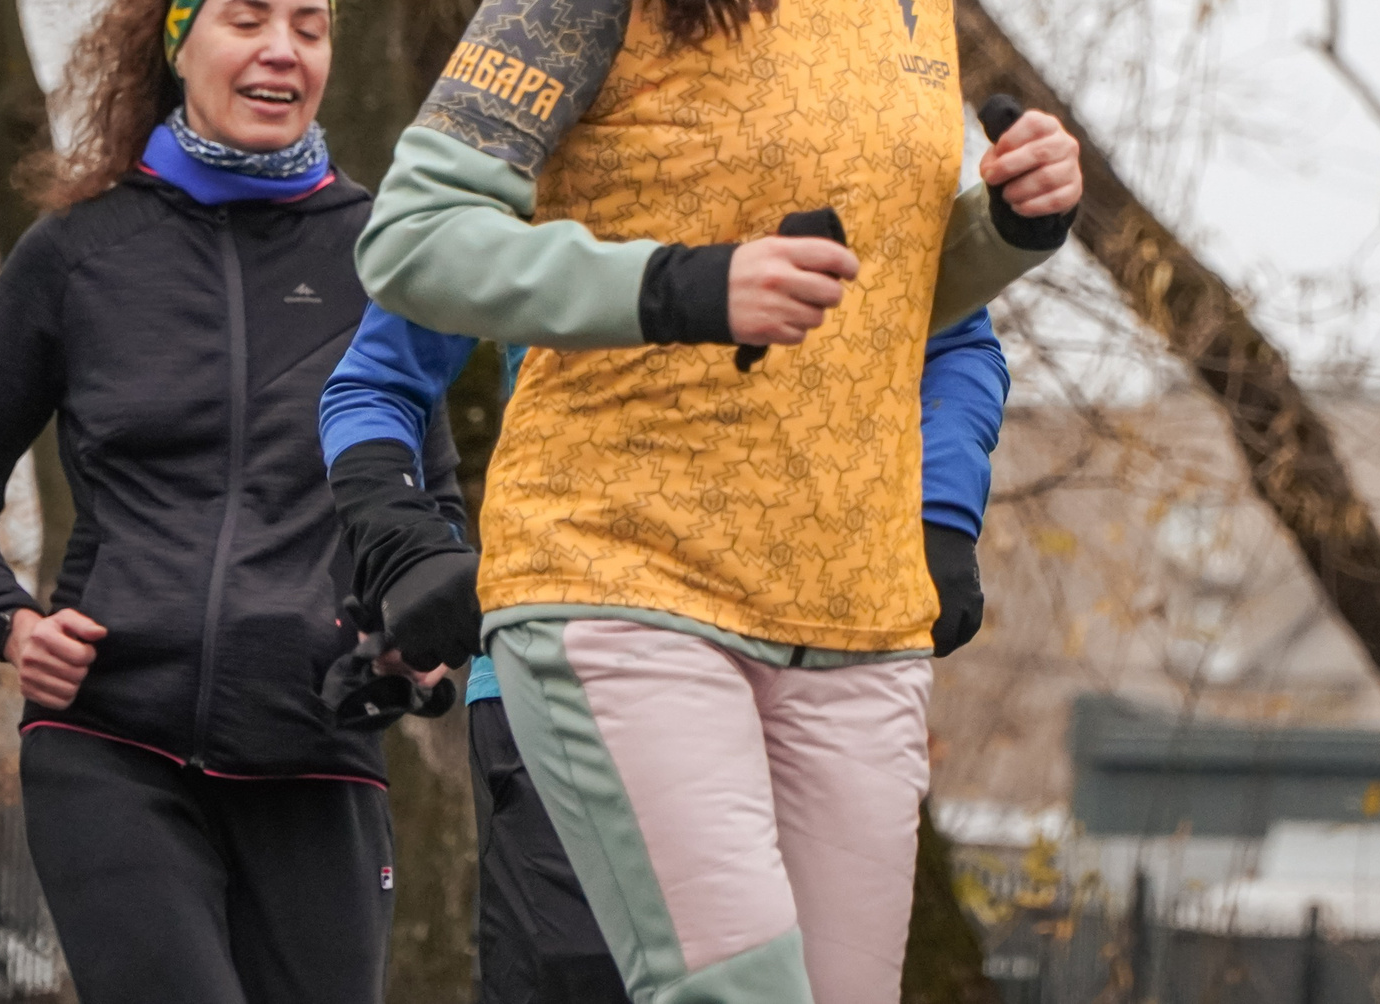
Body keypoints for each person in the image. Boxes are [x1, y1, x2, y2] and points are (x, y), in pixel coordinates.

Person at [347, 0, 1081, 1004]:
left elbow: (870, 303)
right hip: (625, 583)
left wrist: (1005, 228)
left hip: (857, 613)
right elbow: (414, 237)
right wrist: (675, 287)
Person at [0, 0, 454, 1004]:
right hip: (115, 736)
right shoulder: (79, 253)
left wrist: (416, 640)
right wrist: (8, 620)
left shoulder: (383, 257)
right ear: (180, 44)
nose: (281, 49)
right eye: (246, 19)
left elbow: (425, 500)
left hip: (317, 745)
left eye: (308, 27)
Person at [318, 296, 1009, 1004]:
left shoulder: (875, 183)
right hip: (576, 670)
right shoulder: (523, 182)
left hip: (811, 673)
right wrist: (408, 550)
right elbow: (374, 381)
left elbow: (954, 339)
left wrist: (943, 511)